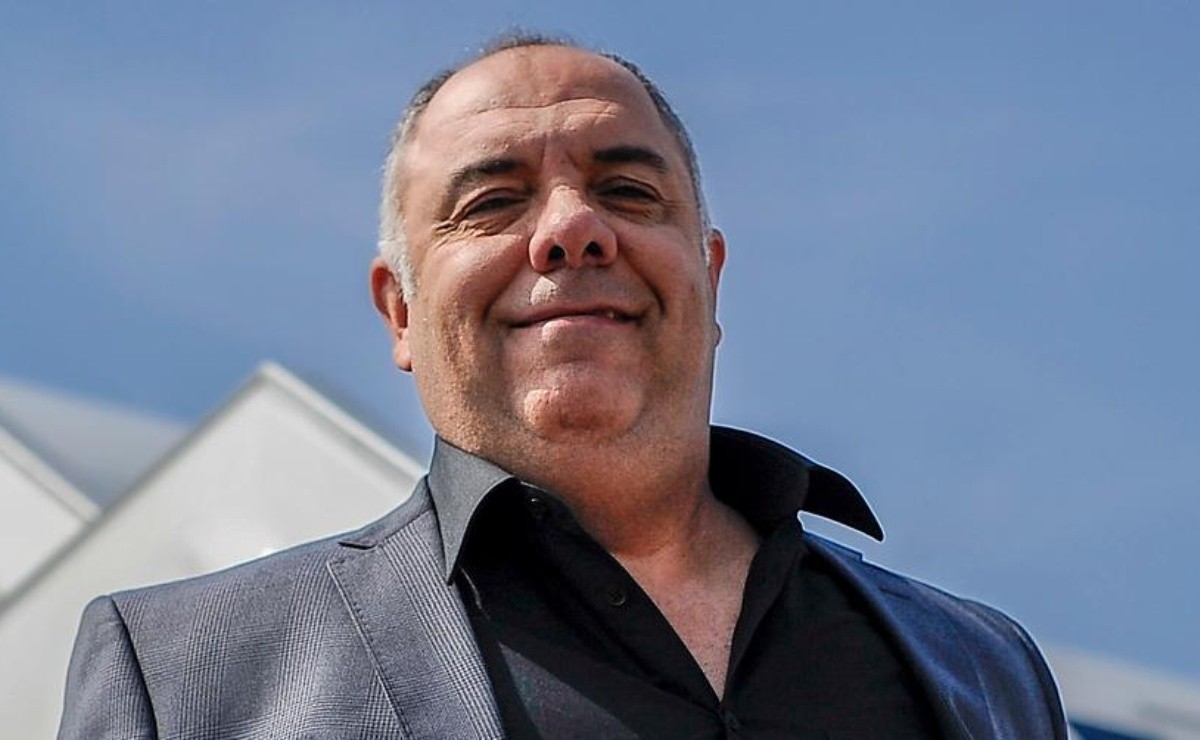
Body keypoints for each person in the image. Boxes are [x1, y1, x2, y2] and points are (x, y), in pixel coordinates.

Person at [59, 35, 1067, 739]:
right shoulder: (182, 676)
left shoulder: (989, 669)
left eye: (628, 191)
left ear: (710, 278)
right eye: (491, 201)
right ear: (400, 311)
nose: (572, 229)